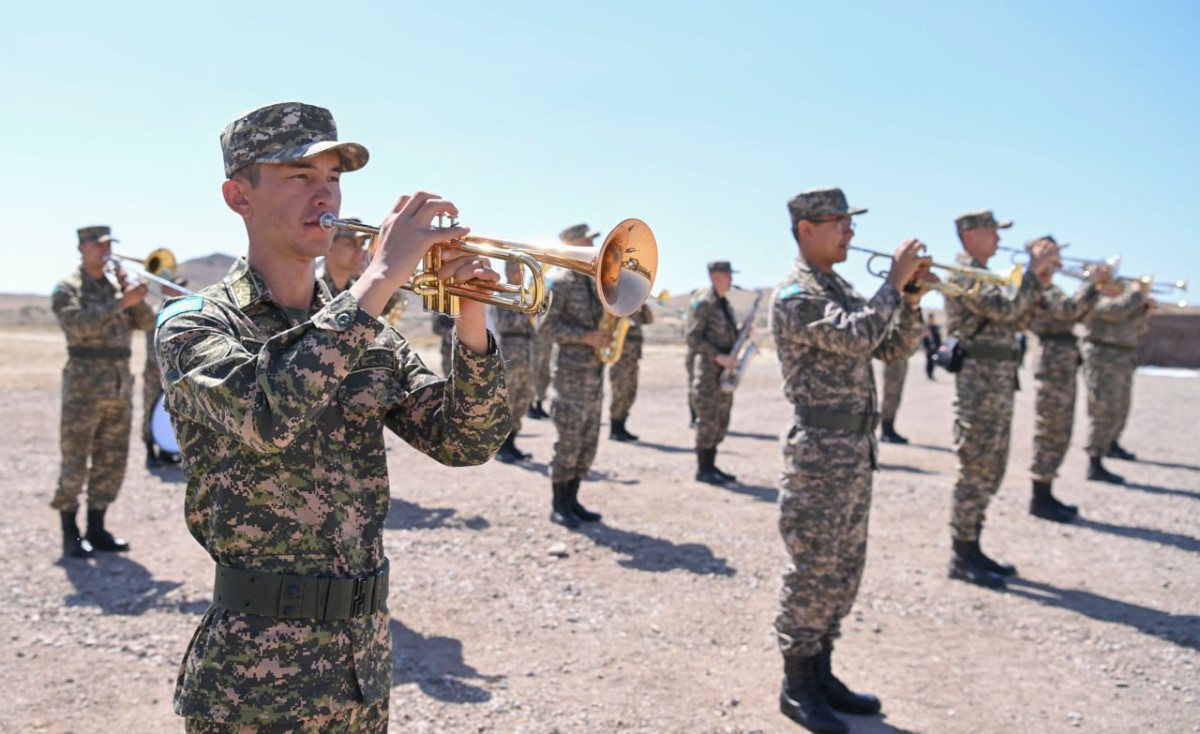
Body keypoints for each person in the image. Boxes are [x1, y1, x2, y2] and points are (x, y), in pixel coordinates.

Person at [156, 101, 510, 733]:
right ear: (239, 196)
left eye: (334, 178)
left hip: (361, 662)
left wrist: (472, 315)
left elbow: (466, 441)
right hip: (253, 679)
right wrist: (376, 279)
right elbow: (270, 415)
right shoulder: (195, 325)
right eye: (298, 177)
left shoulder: (365, 330)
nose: (324, 195)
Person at [772, 187, 933, 734]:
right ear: (805, 229)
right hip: (819, 453)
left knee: (842, 573)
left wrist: (908, 300)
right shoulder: (796, 293)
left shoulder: (838, 286)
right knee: (813, 570)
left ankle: (822, 672)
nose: (849, 231)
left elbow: (888, 347)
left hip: (854, 452)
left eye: (849, 221)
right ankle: (797, 685)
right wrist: (891, 282)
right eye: (837, 222)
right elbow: (859, 333)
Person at [945, 210, 1055, 589]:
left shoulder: (988, 275)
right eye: (992, 231)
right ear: (970, 234)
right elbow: (1004, 308)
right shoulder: (963, 273)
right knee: (975, 467)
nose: (997, 238)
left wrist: (1038, 281)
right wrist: (1030, 271)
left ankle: (972, 544)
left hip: (997, 384)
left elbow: (1018, 321)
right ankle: (961, 552)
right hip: (978, 386)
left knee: (991, 468)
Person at [51, 226, 155, 558]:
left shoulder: (116, 286)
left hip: (119, 387)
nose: (106, 251)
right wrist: (121, 301)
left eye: (110, 245)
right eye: (99, 245)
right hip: (83, 388)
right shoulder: (68, 288)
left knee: (112, 460)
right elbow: (78, 327)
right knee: (76, 459)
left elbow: (147, 322)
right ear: (82, 248)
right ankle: (70, 533)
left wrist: (131, 292)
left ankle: (97, 527)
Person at [1024, 236, 1107, 521]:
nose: (1058, 259)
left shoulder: (1050, 286)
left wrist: (1095, 289)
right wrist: (1091, 284)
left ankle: (1046, 491)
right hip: (1052, 364)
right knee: (1050, 428)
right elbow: (1068, 311)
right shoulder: (1036, 286)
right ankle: (1039, 497)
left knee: (1061, 428)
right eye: (1051, 253)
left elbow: (1079, 314)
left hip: (1063, 363)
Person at [539, 223, 609, 528]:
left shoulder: (596, 282)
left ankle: (574, 500)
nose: (594, 246)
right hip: (570, 373)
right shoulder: (559, 281)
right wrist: (584, 337)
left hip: (594, 371)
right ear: (571, 244)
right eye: (587, 242)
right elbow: (545, 327)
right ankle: (559, 504)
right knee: (568, 437)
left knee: (587, 439)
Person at [1081, 279, 1152, 484]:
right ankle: (1094, 460)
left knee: (1119, 408)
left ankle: (1109, 444)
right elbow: (1116, 310)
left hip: (1123, 359)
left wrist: (1143, 312)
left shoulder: (1126, 305)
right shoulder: (1097, 301)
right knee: (1102, 409)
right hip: (1103, 359)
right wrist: (1136, 295)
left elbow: (1136, 331)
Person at [687, 261, 744, 485]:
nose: (731, 279)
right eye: (728, 275)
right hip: (709, 372)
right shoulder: (703, 303)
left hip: (724, 373)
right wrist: (718, 357)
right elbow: (693, 338)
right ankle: (704, 469)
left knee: (721, 420)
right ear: (715, 276)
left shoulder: (724, 304)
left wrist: (740, 333)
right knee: (708, 421)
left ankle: (712, 466)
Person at [493, 259, 537, 463]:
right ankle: (501, 447)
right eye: (517, 271)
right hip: (510, 351)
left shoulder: (526, 295)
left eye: (522, 272)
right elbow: (503, 323)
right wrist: (526, 316)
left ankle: (512, 444)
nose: (521, 275)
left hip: (527, 353)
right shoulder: (502, 295)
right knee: (507, 401)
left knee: (523, 400)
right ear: (508, 272)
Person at [142, 276, 189, 469]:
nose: (177, 292)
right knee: (150, 408)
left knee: (171, 410)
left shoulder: (182, 313)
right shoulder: (155, 313)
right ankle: (149, 452)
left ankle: (167, 451)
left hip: (174, 371)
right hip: (155, 371)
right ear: (163, 288)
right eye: (173, 288)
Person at [608, 302, 653, 441]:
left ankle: (622, 426)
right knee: (619, 394)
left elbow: (649, 320)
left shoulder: (637, 310)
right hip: (620, 359)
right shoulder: (619, 308)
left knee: (630, 394)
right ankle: (615, 429)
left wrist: (644, 306)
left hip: (633, 359)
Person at [315, 217, 369, 295]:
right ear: (329, 244)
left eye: (362, 244)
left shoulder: (361, 291)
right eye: (351, 243)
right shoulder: (311, 287)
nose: (360, 250)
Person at [877, 357, 909, 443]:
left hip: (900, 357)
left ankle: (889, 427)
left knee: (895, 396)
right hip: (893, 358)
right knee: (891, 395)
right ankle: (886, 429)